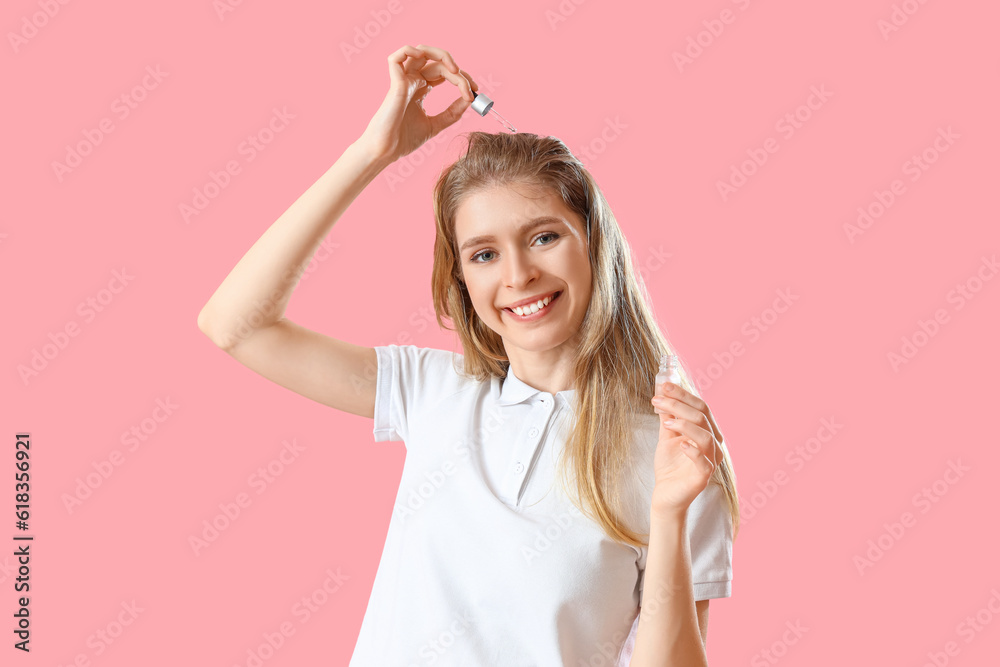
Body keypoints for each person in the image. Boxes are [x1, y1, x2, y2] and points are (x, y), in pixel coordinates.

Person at [197, 44, 739, 666]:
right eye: (484, 253)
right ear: (461, 280)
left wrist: (669, 513)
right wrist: (372, 154)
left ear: (594, 245)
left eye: (544, 236)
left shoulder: (674, 451)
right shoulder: (434, 391)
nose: (518, 275)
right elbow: (236, 326)